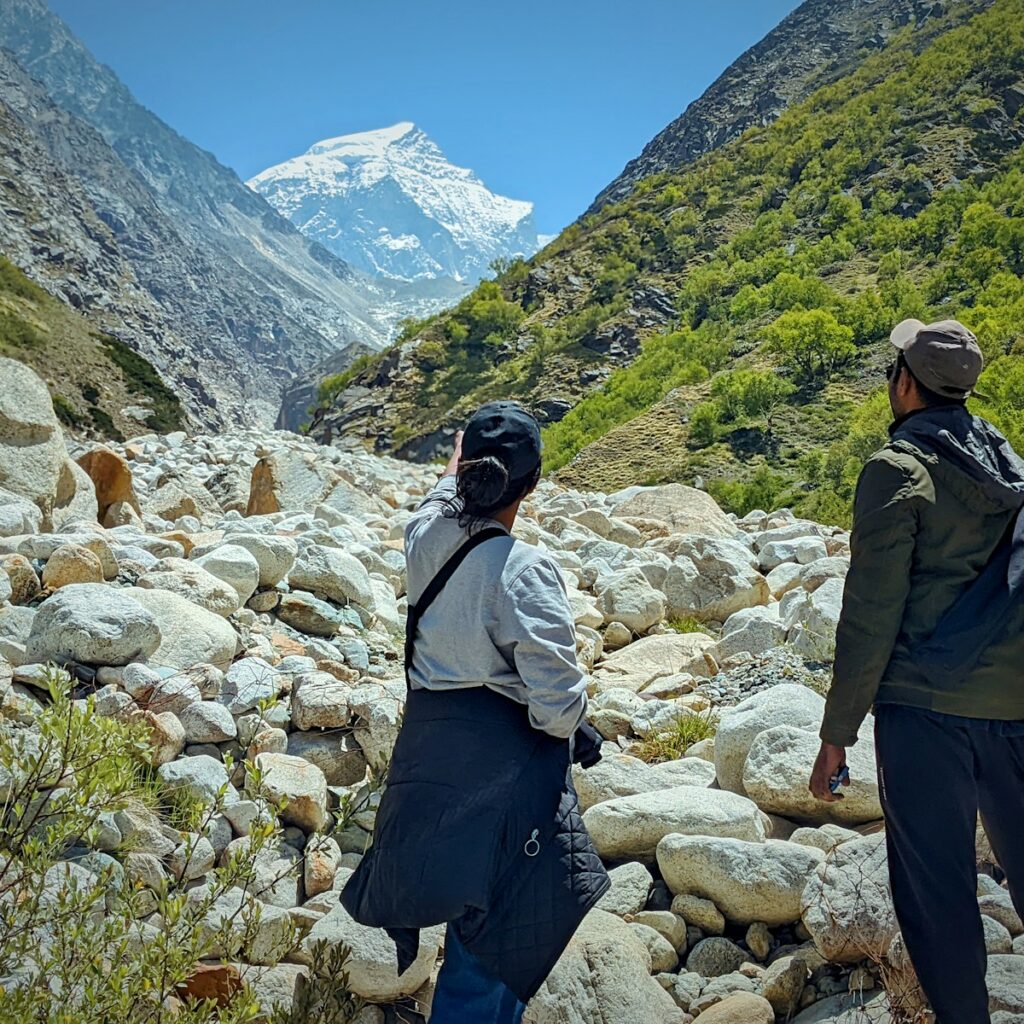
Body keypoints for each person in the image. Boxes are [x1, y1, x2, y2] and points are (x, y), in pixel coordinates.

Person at [342, 400, 610, 1024]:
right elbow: (557, 706)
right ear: (533, 484)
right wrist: (574, 727)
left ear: (462, 471)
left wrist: (456, 464)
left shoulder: (424, 536)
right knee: (496, 931)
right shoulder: (523, 572)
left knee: (460, 890)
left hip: (430, 752)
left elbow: (441, 494)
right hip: (501, 773)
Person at [809, 319, 1024, 1023]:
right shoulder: (1009, 464)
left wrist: (836, 736)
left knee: (939, 897)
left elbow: (870, 616)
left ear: (906, 382)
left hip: (925, 716)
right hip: (1013, 704)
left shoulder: (895, 471)